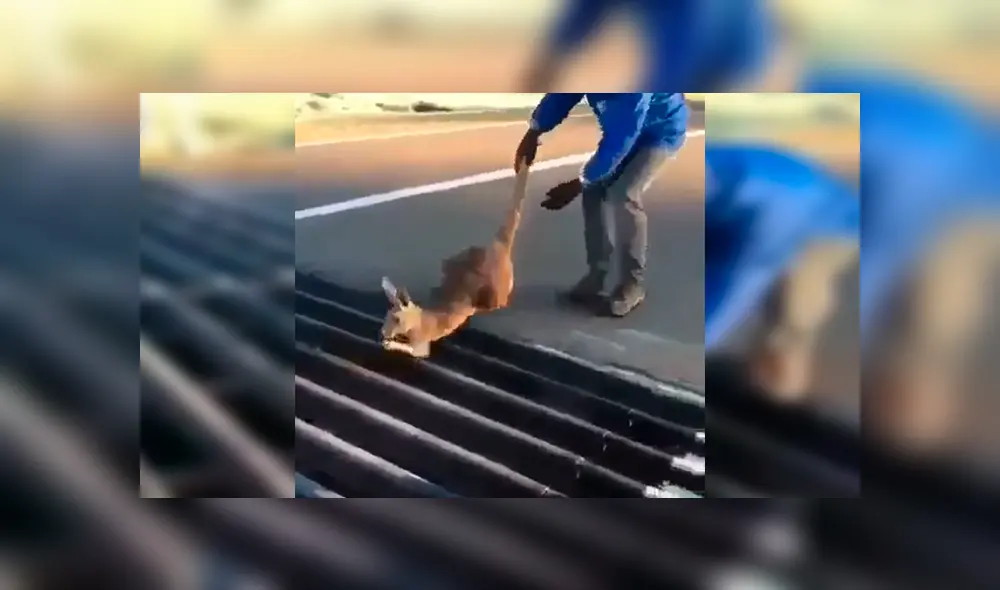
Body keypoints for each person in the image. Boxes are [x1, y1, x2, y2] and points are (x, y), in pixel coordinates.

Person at [705, 144, 860, 401]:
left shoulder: (768, 213)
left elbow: (741, 282)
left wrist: (707, 336)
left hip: (821, 217)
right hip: (767, 199)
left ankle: (781, 401)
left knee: (789, 322)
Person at [514, 92, 688, 317]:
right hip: (625, 130)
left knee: (623, 193)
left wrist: (578, 184)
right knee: (593, 190)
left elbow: (620, 141)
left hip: (660, 133)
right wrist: (534, 131)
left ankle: (632, 283)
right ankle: (598, 276)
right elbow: (562, 96)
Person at [522, 0, 773, 92]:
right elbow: (585, 12)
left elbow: (682, 52)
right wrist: (552, 58)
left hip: (733, 62)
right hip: (694, 50)